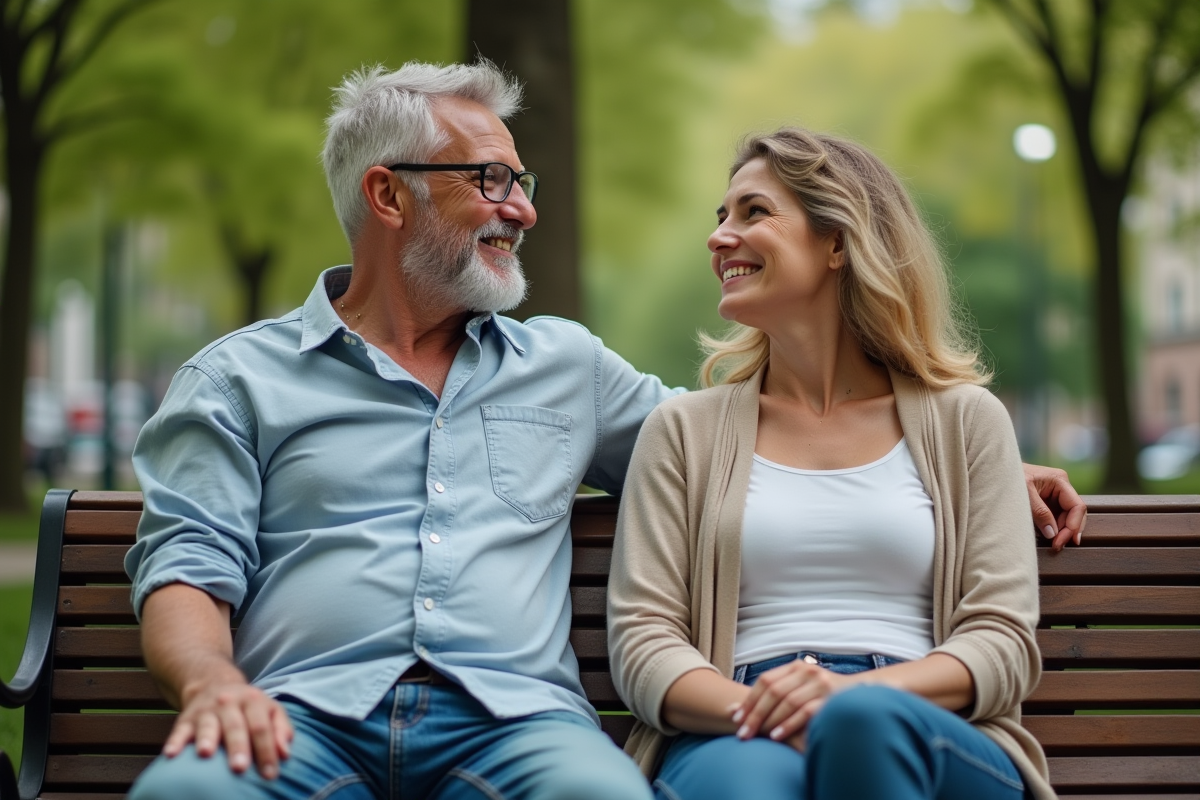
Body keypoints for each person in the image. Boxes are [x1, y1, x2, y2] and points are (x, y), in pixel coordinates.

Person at [126, 62, 1078, 799]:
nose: (524, 208)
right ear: (388, 196)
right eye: (493, 180)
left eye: (522, 179)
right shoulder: (236, 380)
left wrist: (980, 459)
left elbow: (767, 441)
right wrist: (212, 684)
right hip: (299, 715)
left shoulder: (569, 366)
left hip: (513, 729)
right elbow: (186, 565)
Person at [608, 127, 1057, 799]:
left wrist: (845, 697)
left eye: (754, 212)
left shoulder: (967, 421)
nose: (719, 237)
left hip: (921, 723)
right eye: (722, 215)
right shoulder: (682, 431)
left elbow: (1001, 642)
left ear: (839, 242)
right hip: (739, 721)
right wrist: (772, 709)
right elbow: (644, 641)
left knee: (863, 726)